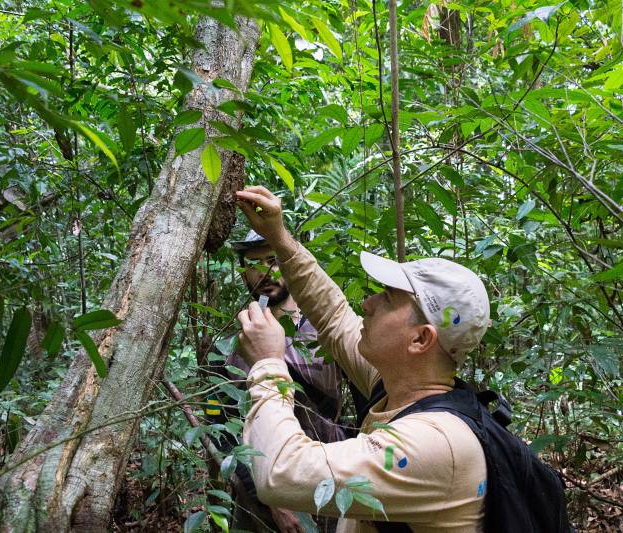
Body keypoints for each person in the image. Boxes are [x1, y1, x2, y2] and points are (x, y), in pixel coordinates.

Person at [233, 186, 491, 532]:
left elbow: (281, 473)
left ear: (421, 338)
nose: (367, 303)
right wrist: (279, 237)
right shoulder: (397, 384)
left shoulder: (435, 443)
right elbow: (333, 314)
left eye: (387, 298)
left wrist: (268, 365)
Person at [208, 229, 346, 533]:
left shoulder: (331, 332)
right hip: (259, 490)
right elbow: (223, 430)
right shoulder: (228, 348)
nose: (265, 272)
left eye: (273, 260)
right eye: (252, 264)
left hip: (329, 476)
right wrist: (271, 499)